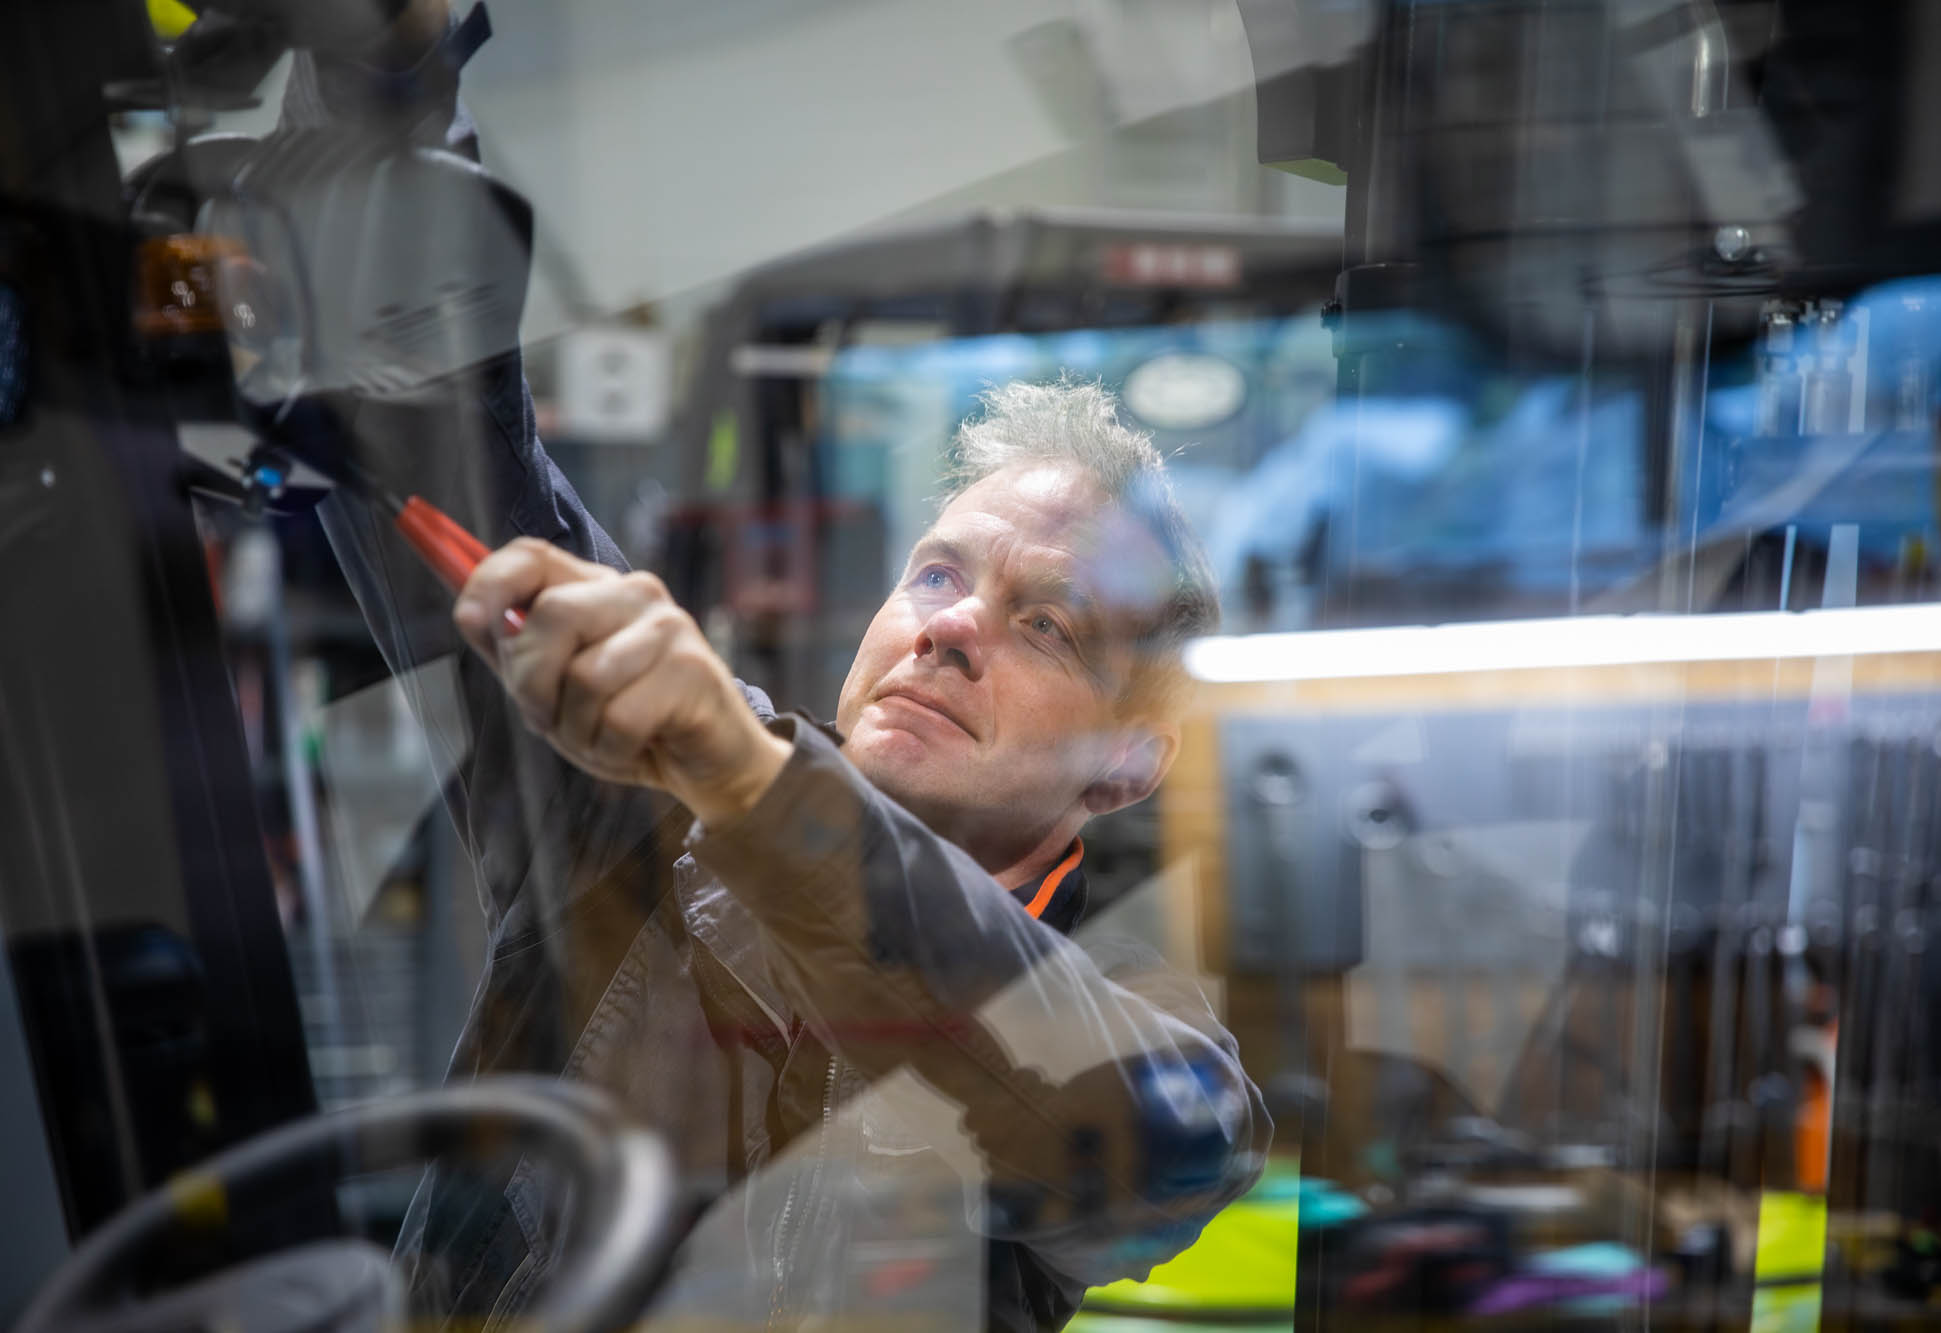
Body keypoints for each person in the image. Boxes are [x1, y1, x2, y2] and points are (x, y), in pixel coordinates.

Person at [268, 11, 1270, 1330]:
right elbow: (426, 423)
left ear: (1134, 757)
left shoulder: (1148, 1043)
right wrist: (382, 88)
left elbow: (1127, 1139)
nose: (951, 624)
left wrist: (748, 777)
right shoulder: (632, 816)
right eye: (937, 571)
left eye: (1049, 624)